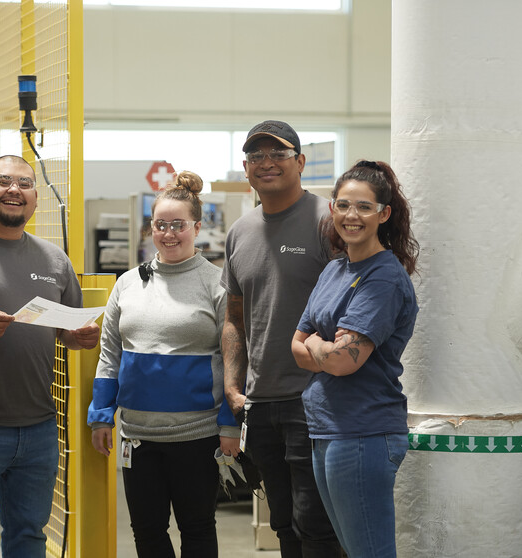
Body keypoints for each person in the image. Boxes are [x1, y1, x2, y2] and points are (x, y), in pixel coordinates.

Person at [0, 155, 100, 558]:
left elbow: (66, 330)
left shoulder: (55, 260)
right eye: (3, 181)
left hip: (38, 428)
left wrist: (77, 336)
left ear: (36, 198)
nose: (14, 190)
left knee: (28, 536)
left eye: (25, 184)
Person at [88, 171, 239, 558]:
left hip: (198, 436)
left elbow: (233, 359)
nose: (169, 234)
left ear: (197, 227)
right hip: (137, 438)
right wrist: (102, 415)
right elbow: (110, 355)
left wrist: (229, 424)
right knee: (148, 532)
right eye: (160, 225)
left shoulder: (217, 284)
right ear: (149, 228)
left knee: (198, 528)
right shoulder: (127, 284)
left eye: (178, 225)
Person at [221, 120, 342, 557]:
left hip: (314, 397)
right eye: (256, 156)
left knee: (318, 524)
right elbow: (235, 316)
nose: (266, 163)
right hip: (262, 400)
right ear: (246, 167)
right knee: (284, 524)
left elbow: (354, 304)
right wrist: (234, 385)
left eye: (278, 154)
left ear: (300, 162)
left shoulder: (328, 221)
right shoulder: (240, 231)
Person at [291, 160, 419, 558]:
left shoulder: (383, 276)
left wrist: (318, 344)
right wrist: (322, 347)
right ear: (332, 209)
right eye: (344, 205)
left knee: (369, 552)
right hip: (327, 427)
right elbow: (295, 347)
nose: (352, 215)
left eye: (364, 207)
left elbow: (344, 362)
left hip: (363, 432)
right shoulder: (334, 270)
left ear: (383, 214)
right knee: (350, 548)